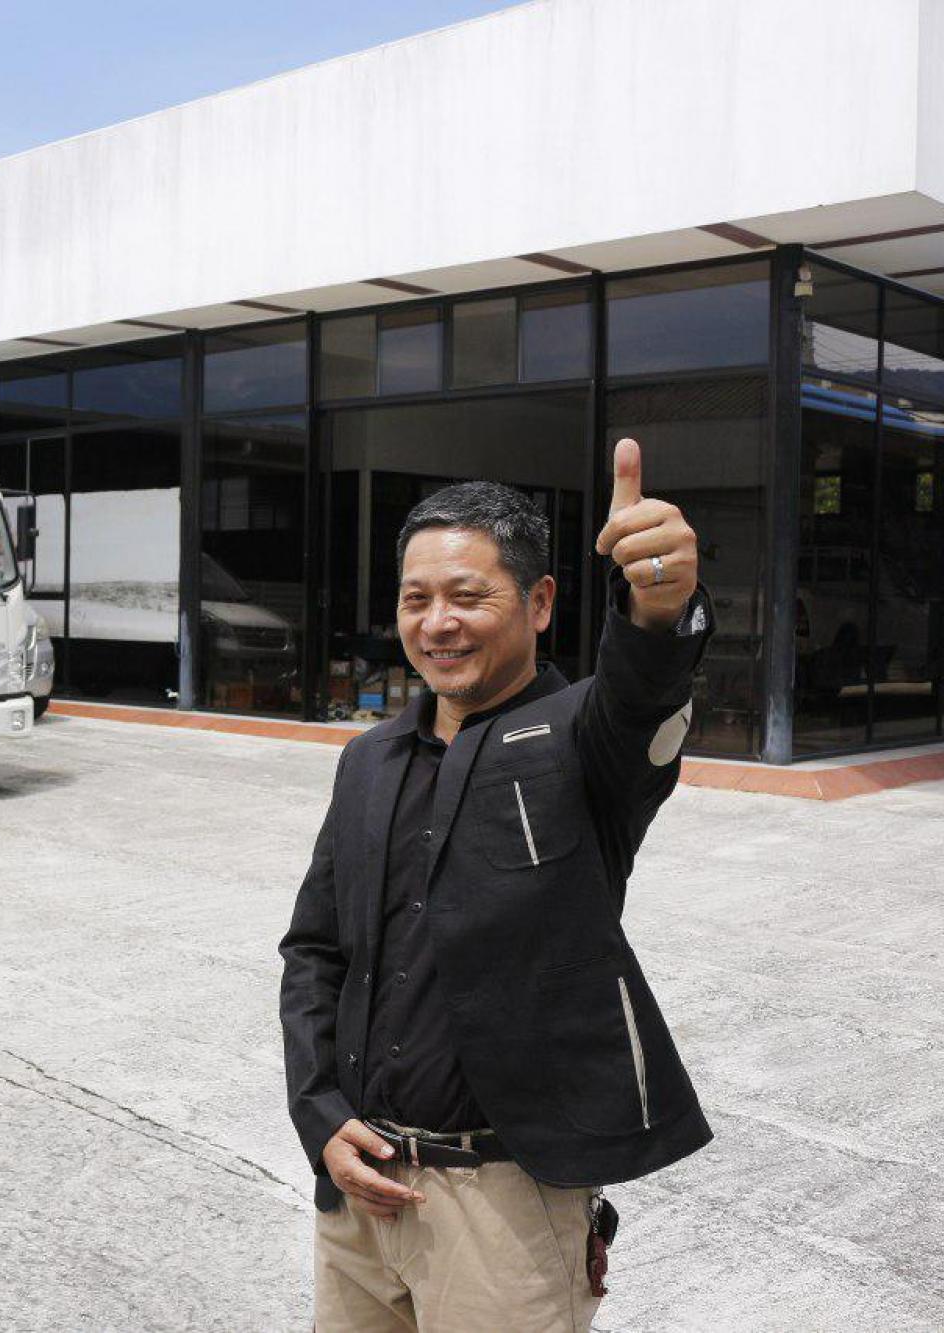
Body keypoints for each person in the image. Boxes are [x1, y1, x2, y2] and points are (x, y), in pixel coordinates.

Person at [279, 440, 714, 1331]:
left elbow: (639, 696)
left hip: (504, 1208)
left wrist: (659, 609)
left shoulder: (583, 741)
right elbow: (315, 950)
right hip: (359, 1197)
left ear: (540, 601)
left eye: (468, 596)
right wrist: (320, 1114)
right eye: (417, 599)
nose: (438, 621)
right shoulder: (368, 761)